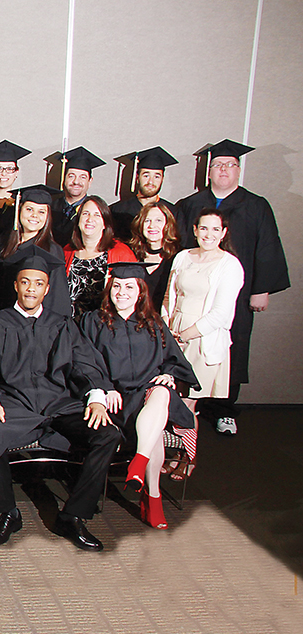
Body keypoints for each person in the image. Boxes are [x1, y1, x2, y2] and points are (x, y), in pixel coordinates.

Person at [0, 245, 120, 551]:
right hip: (16, 405)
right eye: (25, 282)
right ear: (16, 285)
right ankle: (7, 512)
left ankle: (72, 516)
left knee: (107, 434)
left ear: (47, 288)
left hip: (59, 404)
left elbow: (83, 364)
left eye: (38, 283)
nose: (31, 289)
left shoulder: (62, 323)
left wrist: (96, 397)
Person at [175, 140, 291, 436]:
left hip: (237, 292)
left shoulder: (255, 204)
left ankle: (224, 410)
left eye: (230, 165)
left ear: (239, 170)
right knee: (190, 346)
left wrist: (261, 288)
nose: (224, 170)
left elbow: (267, 247)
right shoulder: (190, 204)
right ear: (208, 171)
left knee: (232, 347)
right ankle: (189, 404)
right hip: (196, 290)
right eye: (217, 165)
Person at [79, 262, 199, 530]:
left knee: (161, 392)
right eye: (117, 286)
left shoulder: (153, 323)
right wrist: (105, 387)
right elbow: (85, 362)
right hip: (118, 399)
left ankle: (140, 464)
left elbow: (173, 360)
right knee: (154, 427)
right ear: (109, 289)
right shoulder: (92, 321)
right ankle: (152, 494)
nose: (122, 292)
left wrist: (169, 373)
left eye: (129, 287)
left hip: (150, 395)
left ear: (141, 291)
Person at [162, 210, 244, 478]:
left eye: (215, 230)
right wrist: (167, 329)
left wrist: (185, 335)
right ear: (195, 230)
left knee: (188, 404)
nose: (209, 234)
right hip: (174, 335)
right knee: (169, 399)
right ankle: (171, 451)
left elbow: (221, 314)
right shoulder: (183, 257)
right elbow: (168, 297)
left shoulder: (229, 265)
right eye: (204, 229)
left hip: (201, 338)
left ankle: (187, 456)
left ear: (223, 233)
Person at [0, 185, 70, 318]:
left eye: (41, 212)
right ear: (19, 210)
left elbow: (57, 295)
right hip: (1, 318)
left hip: (32, 323)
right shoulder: (3, 242)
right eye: (29, 209)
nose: (35, 215)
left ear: (47, 217)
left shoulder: (52, 250)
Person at [64, 196, 137, 318]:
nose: (90, 219)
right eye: (85, 214)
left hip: (104, 325)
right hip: (70, 326)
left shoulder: (121, 252)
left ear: (105, 223)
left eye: (97, 215)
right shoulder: (66, 251)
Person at [109, 146, 179, 242]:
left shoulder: (173, 212)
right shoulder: (117, 210)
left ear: (163, 179)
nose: (151, 181)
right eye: (146, 175)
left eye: (157, 176)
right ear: (137, 177)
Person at [128, 202, 182, 310]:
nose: (152, 226)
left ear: (167, 224)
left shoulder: (179, 256)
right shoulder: (131, 253)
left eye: (158, 220)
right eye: (147, 220)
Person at [50, 147, 105, 247]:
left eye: (82, 177)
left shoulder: (98, 212)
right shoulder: (49, 207)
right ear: (64, 177)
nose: (76, 181)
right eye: (71, 176)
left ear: (90, 181)